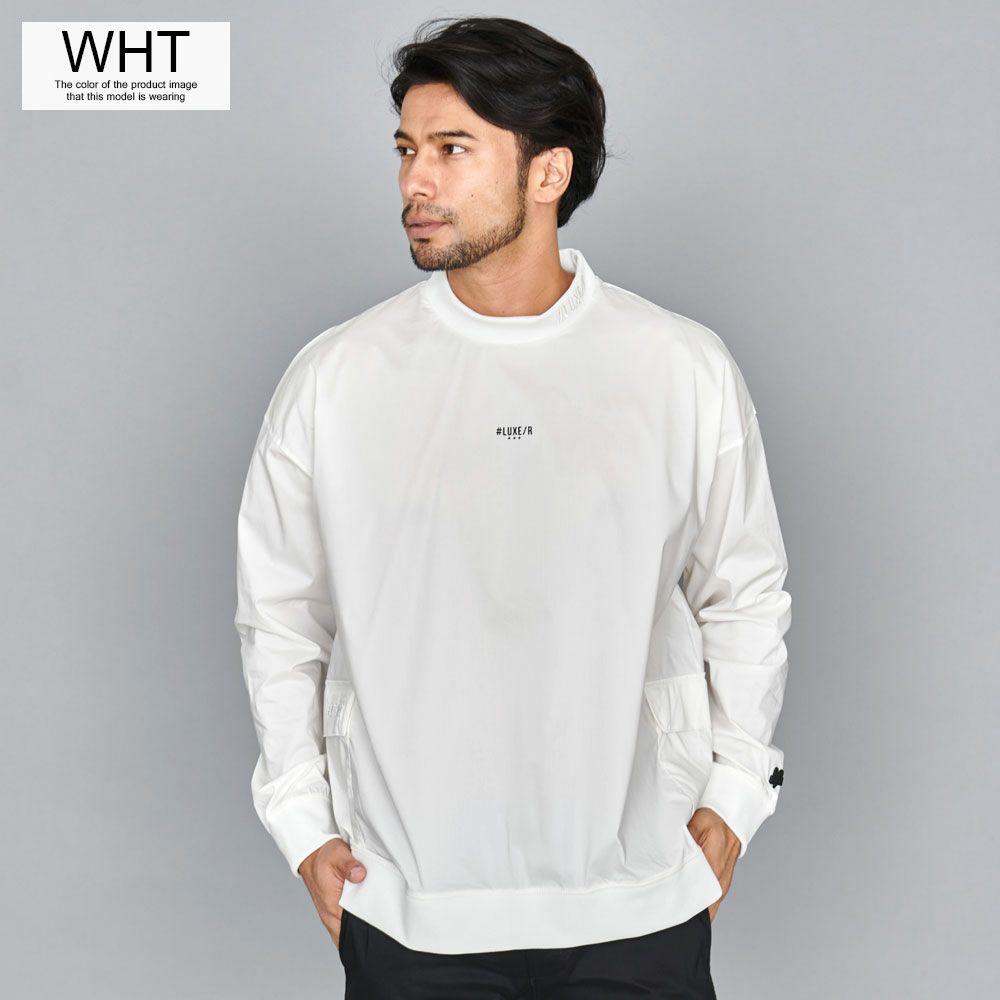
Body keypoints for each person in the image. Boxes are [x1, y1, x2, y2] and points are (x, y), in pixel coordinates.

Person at [234, 15, 791, 998]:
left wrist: (737, 796)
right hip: (408, 900)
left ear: (548, 173)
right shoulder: (336, 379)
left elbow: (743, 593)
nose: (415, 181)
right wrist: (301, 822)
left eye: (452, 149)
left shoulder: (678, 367)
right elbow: (281, 615)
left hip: (638, 896)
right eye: (406, 149)